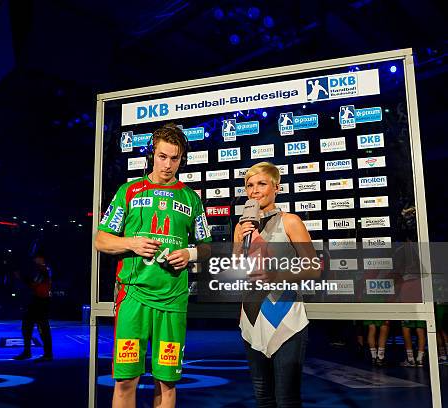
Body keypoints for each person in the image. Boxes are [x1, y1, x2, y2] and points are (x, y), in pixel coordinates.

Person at [95, 123, 212, 408]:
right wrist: (132, 243)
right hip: (133, 297)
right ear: (152, 155)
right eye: (162, 156)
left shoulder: (192, 199)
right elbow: (101, 240)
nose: (168, 165)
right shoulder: (129, 191)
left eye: (174, 158)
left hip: (172, 301)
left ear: (182, 158)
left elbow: (207, 248)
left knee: (167, 382)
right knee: (125, 380)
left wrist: (191, 253)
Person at [233, 161, 321, 408]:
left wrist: (276, 276)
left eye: (261, 184)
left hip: (285, 316)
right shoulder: (241, 228)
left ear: (276, 188)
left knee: (287, 399)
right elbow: (236, 272)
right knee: (263, 398)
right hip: (252, 316)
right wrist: (242, 241)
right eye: (249, 185)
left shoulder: (290, 221)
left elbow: (313, 267)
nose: (254, 190)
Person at [13, 250, 53, 362]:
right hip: (35, 301)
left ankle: (47, 354)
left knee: (43, 328)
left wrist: (20, 277)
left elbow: (33, 283)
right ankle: (27, 352)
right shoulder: (42, 270)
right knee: (27, 327)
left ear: (42, 259)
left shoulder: (44, 270)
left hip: (41, 301)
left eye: (37, 258)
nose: (35, 260)